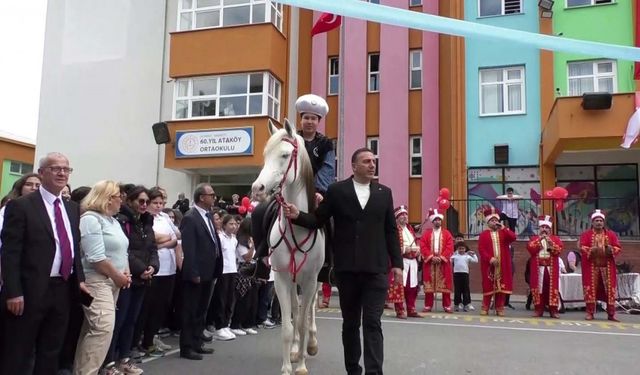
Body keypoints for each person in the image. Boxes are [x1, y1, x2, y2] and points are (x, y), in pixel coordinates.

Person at [284, 147, 403, 375]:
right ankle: (353, 370)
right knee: (350, 324)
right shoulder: (337, 191)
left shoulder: (384, 193)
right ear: (354, 166)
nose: (372, 164)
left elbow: (390, 230)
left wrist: (396, 264)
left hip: (376, 271)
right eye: (367, 161)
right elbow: (319, 220)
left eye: (373, 161)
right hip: (347, 271)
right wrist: (297, 215)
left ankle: (374, 372)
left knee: (372, 323)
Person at [0, 152, 87, 374]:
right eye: (55, 168)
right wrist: (13, 292)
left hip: (62, 289)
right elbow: (10, 253)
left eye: (66, 169)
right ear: (41, 173)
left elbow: (73, 246)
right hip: (29, 290)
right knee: (19, 351)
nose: (62, 173)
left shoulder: (72, 208)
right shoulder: (21, 206)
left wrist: (80, 280)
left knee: (51, 350)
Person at [73, 180, 131, 375]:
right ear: (107, 199)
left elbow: (122, 250)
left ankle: (83, 371)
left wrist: (126, 271)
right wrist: (118, 276)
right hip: (96, 281)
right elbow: (96, 257)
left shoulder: (113, 220)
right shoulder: (90, 219)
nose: (121, 201)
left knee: (93, 330)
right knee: (102, 329)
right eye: (118, 197)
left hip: (113, 280)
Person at [105, 185, 158, 374]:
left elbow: (152, 248)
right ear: (130, 201)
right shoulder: (122, 221)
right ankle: (109, 362)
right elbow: (124, 251)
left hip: (143, 278)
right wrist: (141, 269)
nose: (144, 205)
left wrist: (153, 266)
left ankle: (124, 359)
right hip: (126, 277)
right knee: (118, 321)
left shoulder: (147, 221)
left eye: (147, 202)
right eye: (140, 201)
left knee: (131, 321)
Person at [179, 183, 223, 360]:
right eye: (211, 194)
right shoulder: (191, 217)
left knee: (201, 311)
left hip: (209, 271)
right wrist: (193, 272)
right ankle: (187, 347)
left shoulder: (208, 215)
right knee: (191, 310)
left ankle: (197, 342)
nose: (214, 197)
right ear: (201, 197)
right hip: (196, 273)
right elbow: (189, 248)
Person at [133, 188, 178, 357]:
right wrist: (165, 239)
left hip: (169, 268)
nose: (158, 206)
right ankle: (138, 342)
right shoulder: (145, 219)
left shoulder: (165, 217)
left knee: (160, 307)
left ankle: (150, 340)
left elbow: (176, 237)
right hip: (153, 269)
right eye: (155, 203)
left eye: (161, 203)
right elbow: (151, 240)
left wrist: (164, 241)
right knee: (146, 309)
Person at [579, 209, 622, 322]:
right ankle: (590, 312)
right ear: (592, 222)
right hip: (592, 268)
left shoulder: (611, 234)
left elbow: (618, 247)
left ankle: (611, 314)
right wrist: (590, 250)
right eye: (596, 220)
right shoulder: (586, 235)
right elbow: (582, 247)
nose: (599, 223)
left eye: (601, 221)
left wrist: (611, 250)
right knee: (590, 289)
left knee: (610, 290)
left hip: (606, 268)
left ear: (604, 222)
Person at [477, 207, 516, 316]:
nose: (494, 222)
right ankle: (485, 307)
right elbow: (481, 249)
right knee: (488, 286)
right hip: (489, 265)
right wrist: (490, 259)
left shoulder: (503, 233)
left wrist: (504, 228)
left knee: (501, 289)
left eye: (496, 220)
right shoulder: (484, 234)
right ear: (488, 222)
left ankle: (499, 307)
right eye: (492, 221)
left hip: (502, 265)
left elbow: (513, 237)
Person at [526, 215, 563, 319]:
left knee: (551, 289)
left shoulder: (555, 239)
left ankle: (553, 310)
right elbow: (531, 249)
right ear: (539, 228)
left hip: (551, 268)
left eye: (547, 228)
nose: (544, 229)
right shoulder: (534, 239)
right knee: (538, 289)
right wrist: (540, 241)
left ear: (550, 229)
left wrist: (550, 242)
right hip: (539, 269)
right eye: (543, 227)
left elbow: (558, 251)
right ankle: (538, 309)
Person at [387, 205, 421, 319]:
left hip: (412, 261)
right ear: (397, 218)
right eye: (402, 215)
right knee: (401, 285)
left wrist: (417, 251)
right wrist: (403, 249)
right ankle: (400, 310)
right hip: (402, 261)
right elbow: (391, 246)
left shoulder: (410, 229)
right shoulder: (395, 230)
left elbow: (414, 243)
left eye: (406, 215)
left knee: (412, 286)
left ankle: (411, 308)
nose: (405, 217)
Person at [210, 215, 240, 340]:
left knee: (229, 299)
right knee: (221, 299)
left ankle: (225, 324)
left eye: (235, 224)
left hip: (232, 271)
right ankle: (219, 326)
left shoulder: (234, 239)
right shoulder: (220, 238)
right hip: (223, 272)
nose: (233, 226)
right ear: (224, 225)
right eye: (230, 224)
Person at [419, 208, 454, 313]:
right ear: (432, 221)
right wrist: (430, 256)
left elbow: (450, 246)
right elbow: (423, 245)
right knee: (429, 285)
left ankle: (447, 305)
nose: (437, 221)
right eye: (435, 220)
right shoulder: (426, 233)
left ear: (441, 221)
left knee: (445, 284)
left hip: (443, 263)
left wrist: (441, 257)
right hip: (430, 263)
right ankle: (428, 305)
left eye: (439, 220)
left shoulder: (447, 233)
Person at [451, 241, 478, 312]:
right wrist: (454, 253)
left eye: (463, 248)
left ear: (465, 249)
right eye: (460, 249)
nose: (461, 250)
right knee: (457, 290)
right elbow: (449, 260)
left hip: (465, 274)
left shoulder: (467, 256)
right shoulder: (455, 256)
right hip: (456, 274)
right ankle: (457, 304)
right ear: (457, 249)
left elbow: (476, 261)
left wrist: (474, 254)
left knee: (465, 290)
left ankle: (466, 304)